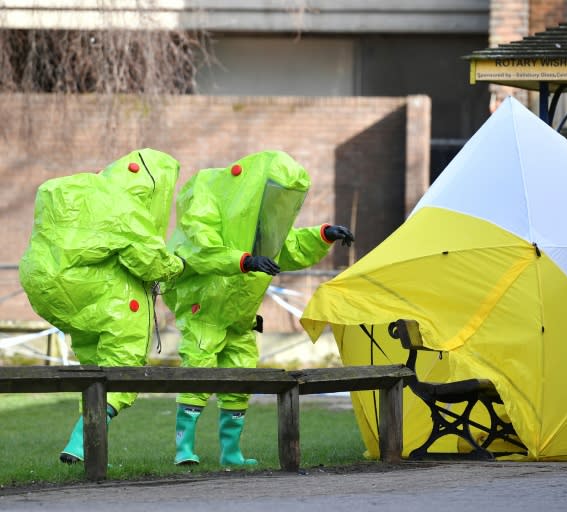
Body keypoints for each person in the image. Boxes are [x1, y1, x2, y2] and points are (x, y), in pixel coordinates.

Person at [162, 150, 354, 466]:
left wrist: (323, 235)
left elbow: (287, 248)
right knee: (198, 373)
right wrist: (244, 261)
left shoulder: (262, 225)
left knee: (241, 378)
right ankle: (184, 448)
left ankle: (231, 453)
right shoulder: (210, 196)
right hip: (206, 311)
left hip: (241, 318)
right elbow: (200, 249)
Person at [18, 148, 186, 464]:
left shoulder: (72, 190)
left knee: (95, 361)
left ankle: (87, 442)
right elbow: (150, 262)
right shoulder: (123, 206)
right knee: (124, 360)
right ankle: (83, 441)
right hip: (94, 289)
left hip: (46, 285)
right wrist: (178, 264)